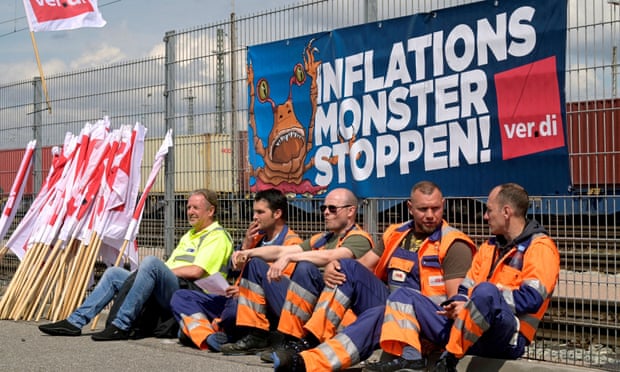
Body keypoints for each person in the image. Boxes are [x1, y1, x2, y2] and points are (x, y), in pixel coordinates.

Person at [272, 180, 476, 372]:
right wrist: (335, 265)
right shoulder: (396, 233)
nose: (430, 215)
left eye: (435, 208)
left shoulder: (454, 244)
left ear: (443, 204)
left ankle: (307, 363)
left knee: (374, 317)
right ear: (410, 207)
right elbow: (360, 267)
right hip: (391, 308)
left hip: (426, 322)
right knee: (347, 267)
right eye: (423, 209)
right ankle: (313, 341)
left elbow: (453, 308)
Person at [370, 183, 560, 372]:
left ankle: (449, 359)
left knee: (486, 292)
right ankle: (411, 359)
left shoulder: (540, 247)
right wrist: (459, 304)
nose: (485, 216)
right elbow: (464, 289)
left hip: (506, 336)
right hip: (468, 330)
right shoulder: (489, 247)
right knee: (403, 295)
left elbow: (532, 298)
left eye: (489, 210)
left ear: (506, 212)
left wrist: (475, 304)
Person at [38, 189, 233, 341]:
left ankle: (121, 325)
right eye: (189, 207)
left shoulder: (216, 236)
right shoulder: (189, 235)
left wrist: (159, 271)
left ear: (211, 210)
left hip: (193, 294)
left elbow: (196, 271)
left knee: (151, 263)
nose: (190, 212)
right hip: (172, 287)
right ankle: (75, 322)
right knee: (114, 272)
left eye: (195, 208)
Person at [219, 187, 374, 355]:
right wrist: (247, 252)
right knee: (255, 263)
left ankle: (294, 340)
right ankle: (257, 335)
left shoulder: (359, 238)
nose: (326, 213)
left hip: (337, 315)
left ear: (351, 211)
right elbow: (280, 251)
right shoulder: (323, 238)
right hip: (311, 307)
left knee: (304, 268)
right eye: (323, 208)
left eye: (332, 208)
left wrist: (291, 258)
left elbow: (333, 255)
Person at [169, 188, 303, 351]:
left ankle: (212, 330)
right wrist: (246, 245)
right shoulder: (256, 238)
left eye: (260, 212)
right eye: (254, 212)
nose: (254, 217)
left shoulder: (291, 243)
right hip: (234, 297)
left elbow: (278, 288)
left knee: (232, 312)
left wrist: (243, 291)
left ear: (277, 214)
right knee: (182, 297)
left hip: (258, 305)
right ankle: (207, 336)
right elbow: (234, 271)